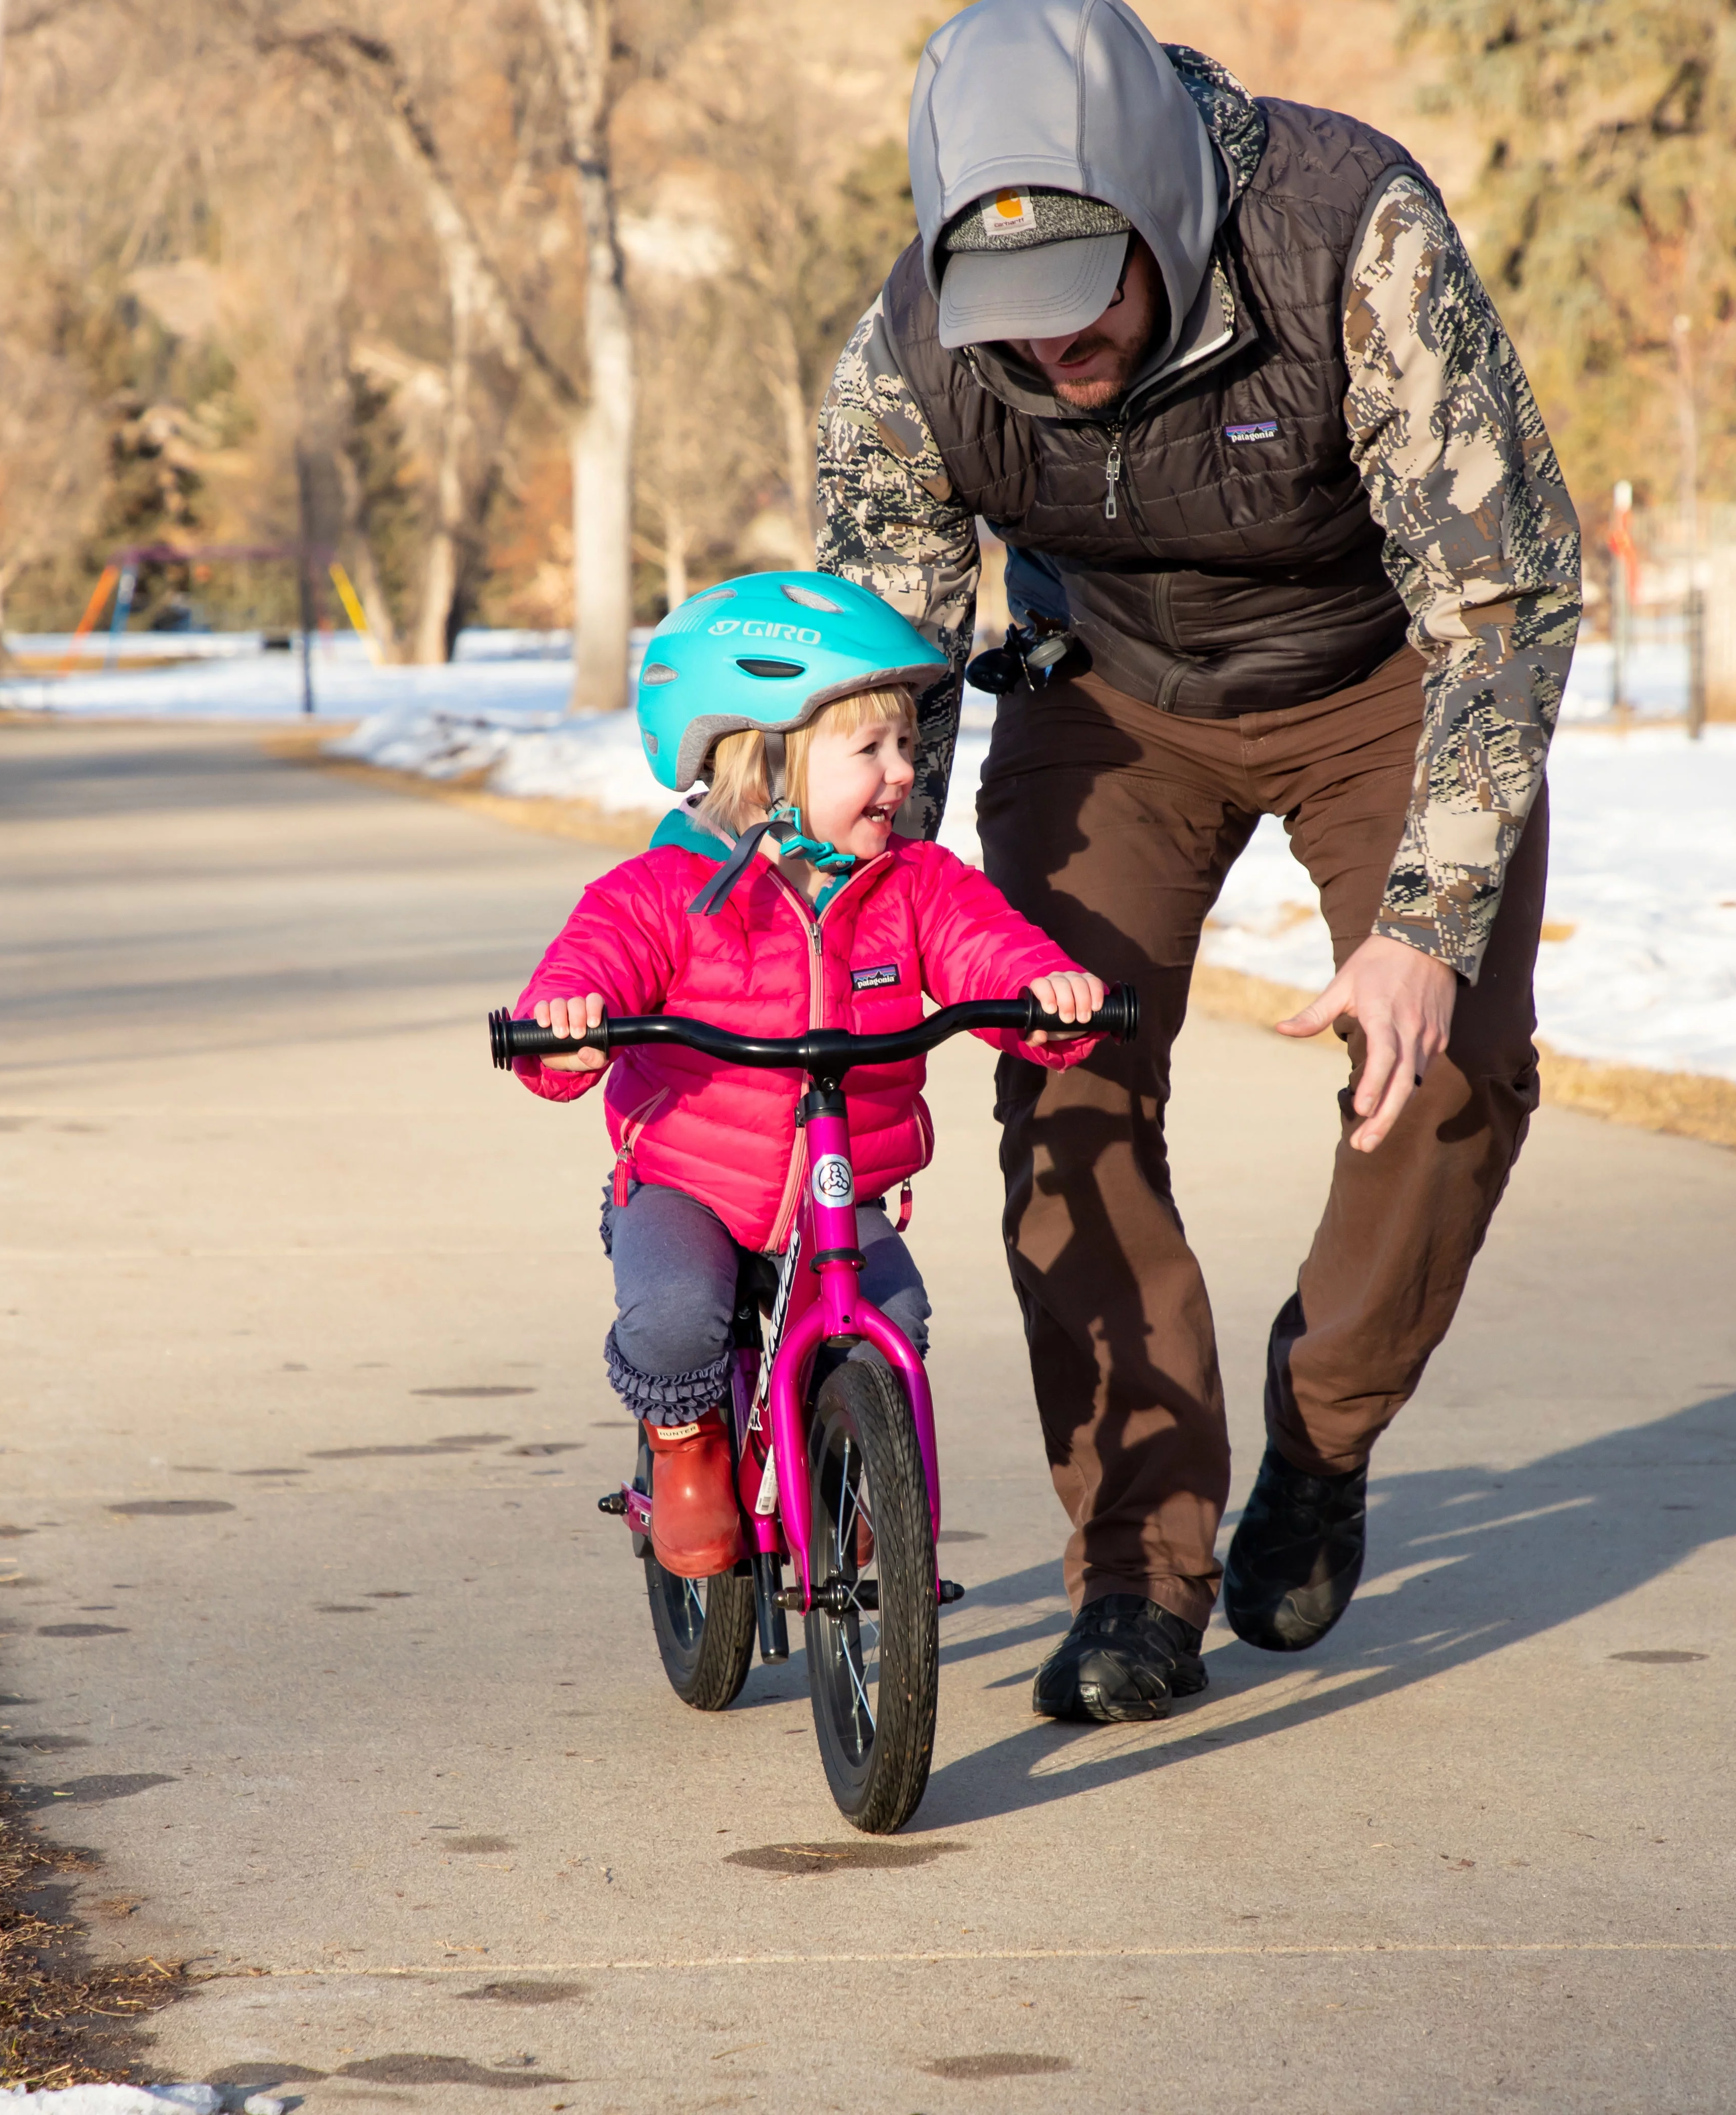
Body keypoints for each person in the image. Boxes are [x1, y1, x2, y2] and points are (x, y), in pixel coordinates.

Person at [814, 0, 1582, 1720]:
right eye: (1020, 328)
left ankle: (1322, 1435)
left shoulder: (1350, 237)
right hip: (1113, 702)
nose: (1060, 359)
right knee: (1059, 1071)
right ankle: (1134, 1575)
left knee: (1444, 1066)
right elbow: (887, 657)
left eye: (1089, 310)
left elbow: (1504, 600)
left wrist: (1425, 923)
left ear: (1162, 214)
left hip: (1384, 677)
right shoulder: (914, 345)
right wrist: (858, 895)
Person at [511, 571, 1108, 1579]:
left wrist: (1044, 990)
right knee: (672, 1316)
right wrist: (568, 1023)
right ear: (762, 761)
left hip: (841, 1188)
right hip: (689, 1181)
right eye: (868, 749)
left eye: (908, 748)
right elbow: (591, 964)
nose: (900, 773)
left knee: (894, 1319)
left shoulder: (912, 884)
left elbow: (984, 945)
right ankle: (688, 1444)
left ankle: (840, 1467)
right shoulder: (670, 887)